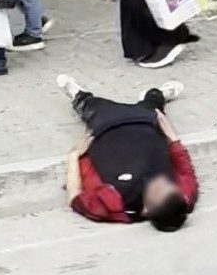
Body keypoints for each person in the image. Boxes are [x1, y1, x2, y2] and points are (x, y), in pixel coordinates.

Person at [58, 75, 198, 231]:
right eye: (170, 186)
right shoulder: (183, 199)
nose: (162, 181)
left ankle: (79, 96)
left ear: (147, 209)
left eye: (158, 189)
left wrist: (74, 156)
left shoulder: (115, 206)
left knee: (92, 106)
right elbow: (186, 170)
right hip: (147, 123)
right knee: (153, 101)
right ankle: (154, 96)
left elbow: (74, 197)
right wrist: (171, 135)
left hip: (106, 127)